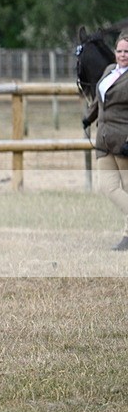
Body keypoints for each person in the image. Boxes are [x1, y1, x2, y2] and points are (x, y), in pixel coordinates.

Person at [83, 33, 128, 252]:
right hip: (103, 139)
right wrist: (88, 118)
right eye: (119, 51)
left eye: (127, 51)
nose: (122, 55)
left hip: (123, 140)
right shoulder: (109, 71)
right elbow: (101, 99)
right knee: (107, 187)